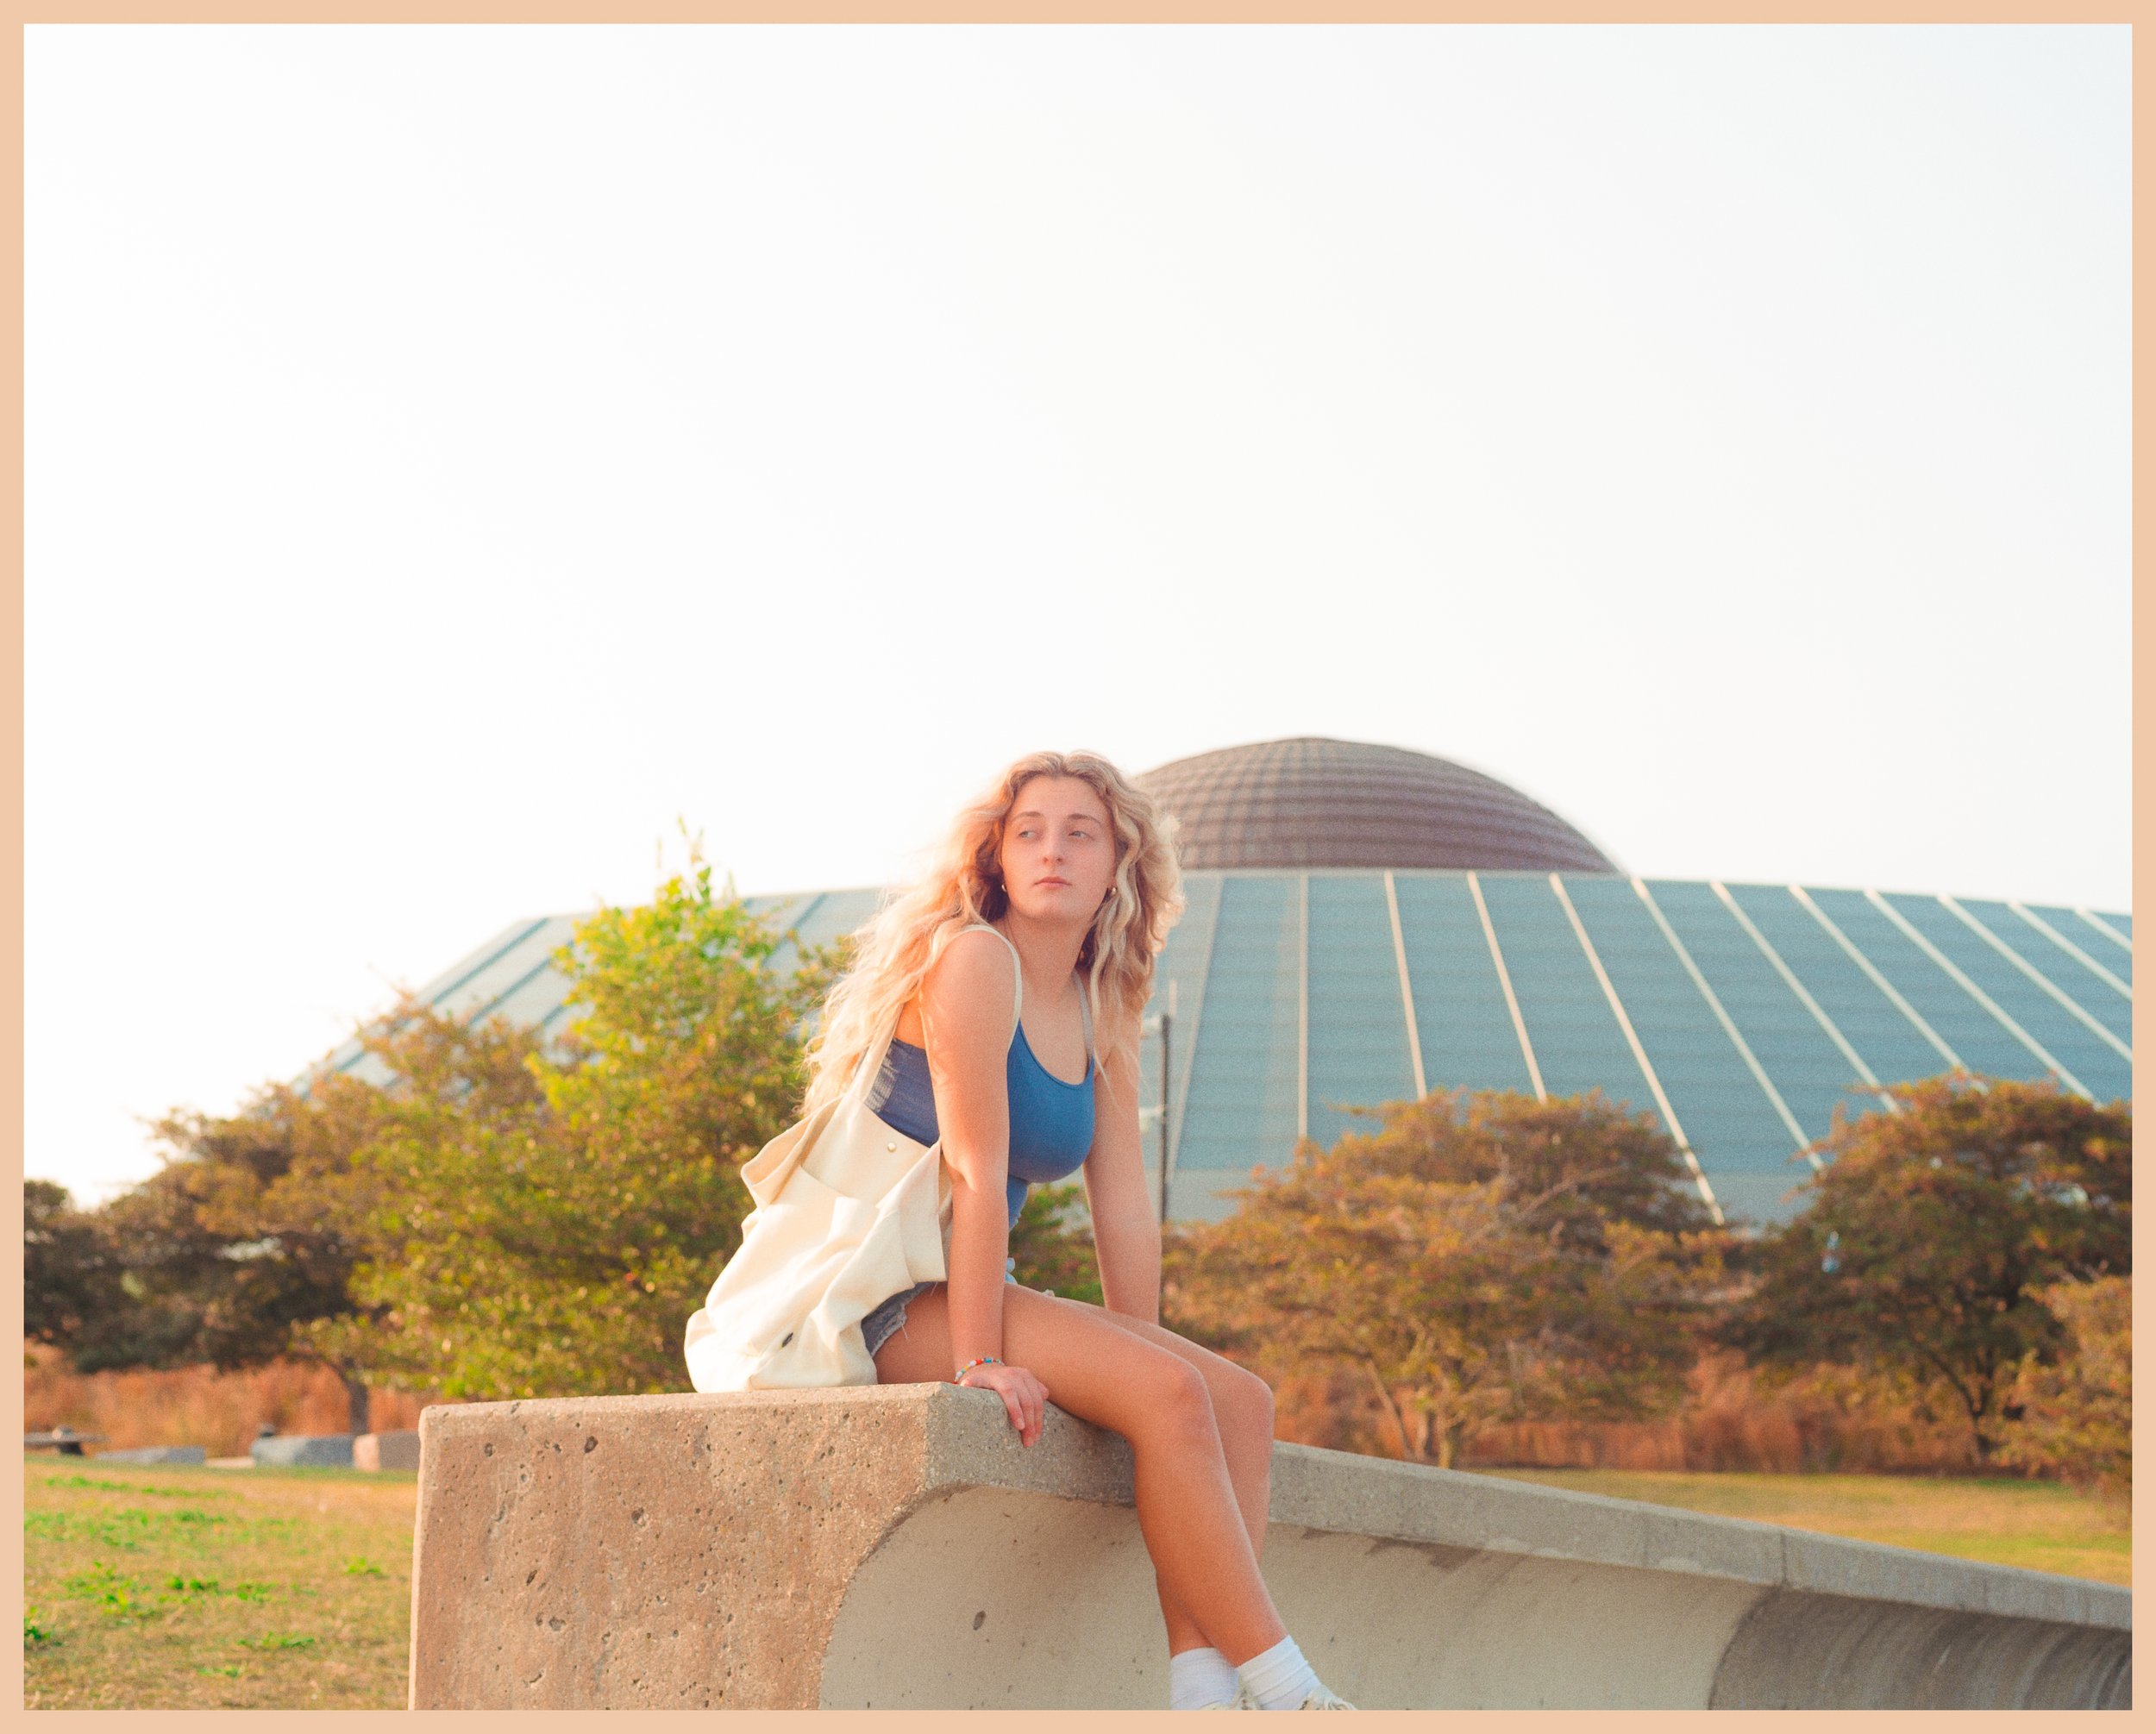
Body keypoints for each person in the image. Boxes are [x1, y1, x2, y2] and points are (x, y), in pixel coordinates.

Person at [798, 749, 1353, 1712]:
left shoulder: (1105, 998)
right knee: (1173, 1391)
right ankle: (1289, 1687)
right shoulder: (974, 960)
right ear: (998, 859)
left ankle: (1202, 1689)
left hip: (948, 1280)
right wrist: (979, 1360)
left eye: (1079, 833)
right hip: (865, 1296)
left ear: (1117, 865)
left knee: (1236, 1401)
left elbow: (1123, 1202)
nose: (1052, 849)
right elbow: (975, 1170)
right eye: (1030, 832)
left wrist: (1136, 1352)